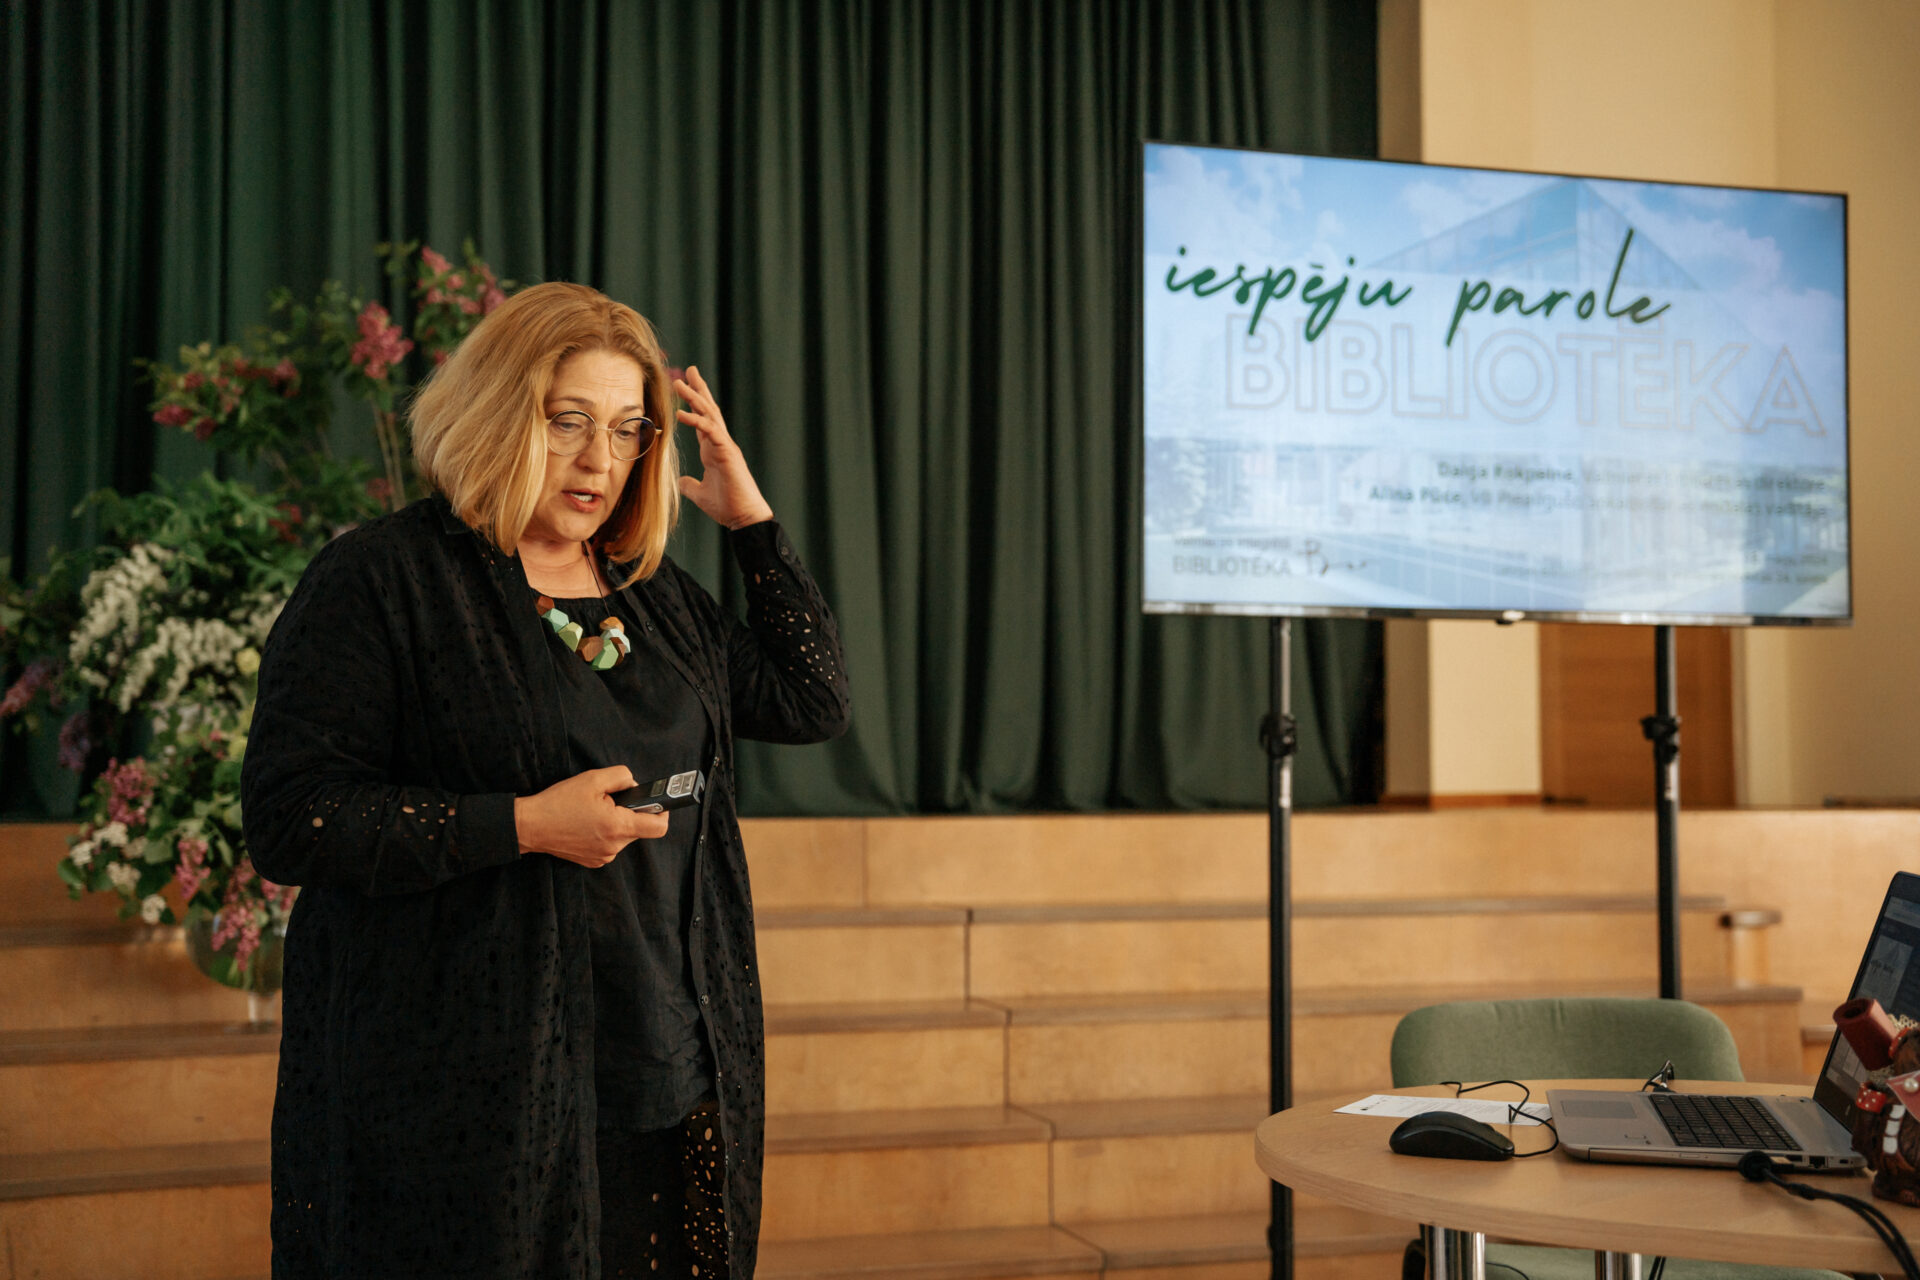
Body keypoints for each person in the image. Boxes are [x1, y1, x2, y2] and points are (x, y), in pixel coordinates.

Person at [241, 281, 850, 1279]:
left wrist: (751, 523)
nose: (600, 460)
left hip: (666, 1070)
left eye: (628, 429)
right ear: (498, 412)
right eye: (569, 421)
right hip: (467, 1096)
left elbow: (811, 698)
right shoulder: (384, 581)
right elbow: (291, 816)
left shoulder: (652, 595)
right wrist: (521, 824)